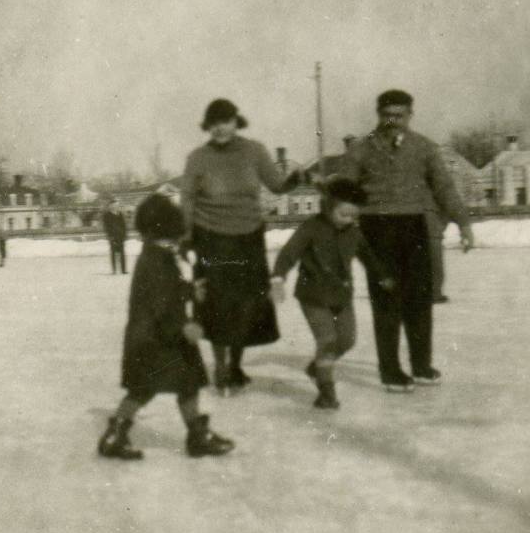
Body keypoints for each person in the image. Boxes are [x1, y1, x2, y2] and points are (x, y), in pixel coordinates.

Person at [342, 89, 474, 392]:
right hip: (376, 229)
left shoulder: (424, 148)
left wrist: (464, 224)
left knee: (419, 299)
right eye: (387, 115)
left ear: (410, 116)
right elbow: (343, 191)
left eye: (399, 115)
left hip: (413, 228)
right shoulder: (361, 150)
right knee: (386, 301)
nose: (393, 121)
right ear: (378, 115)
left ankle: (421, 366)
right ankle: (390, 371)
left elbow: (444, 188)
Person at [97, 193, 234, 460]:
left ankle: (194, 435)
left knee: (180, 383)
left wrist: (190, 290)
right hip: (155, 338)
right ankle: (118, 435)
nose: (174, 243)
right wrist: (184, 326)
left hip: (152, 338)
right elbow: (162, 304)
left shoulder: (156, 256)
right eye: (171, 237)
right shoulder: (156, 261)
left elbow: (169, 291)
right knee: (148, 388)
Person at [180, 98, 301, 394]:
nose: (221, 127)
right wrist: (185, 237)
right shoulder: (198, 157)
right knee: (218, 307)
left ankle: (235, 365)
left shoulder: (254, 151)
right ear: (208, 126)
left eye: (227, 121)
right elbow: (187, 200)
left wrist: (298, 179)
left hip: (249, 239)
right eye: (215, 122)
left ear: (237, 122)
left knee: (246, 307)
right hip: (211, 239)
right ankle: (221, 368)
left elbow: (276, 185)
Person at [270, 179, 395, 409]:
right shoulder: (311, 227)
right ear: (328, 207)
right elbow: (289, 253)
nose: (348, 220)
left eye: (353, 216)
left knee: (347, 340)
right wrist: (278, 276)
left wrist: (382, 275)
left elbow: (367, 255)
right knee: (327, 340)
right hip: (313, 295)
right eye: (343, 214)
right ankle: (327, 393)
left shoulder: (353, 232)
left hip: (342, 295)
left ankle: (318, 368)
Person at [102, 199, 128, 274]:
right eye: (114, 205)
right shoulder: (106, 215)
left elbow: (124, 226)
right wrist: (110, 236)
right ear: (110, 206)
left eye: (117, 205)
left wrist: (124, 235)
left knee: (122, 253)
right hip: (112, 236)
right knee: (113, 253)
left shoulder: (120, 214)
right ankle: (114, 270)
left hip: (120, 236)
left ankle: (123, 270)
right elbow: (107, 227)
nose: (116, 207)